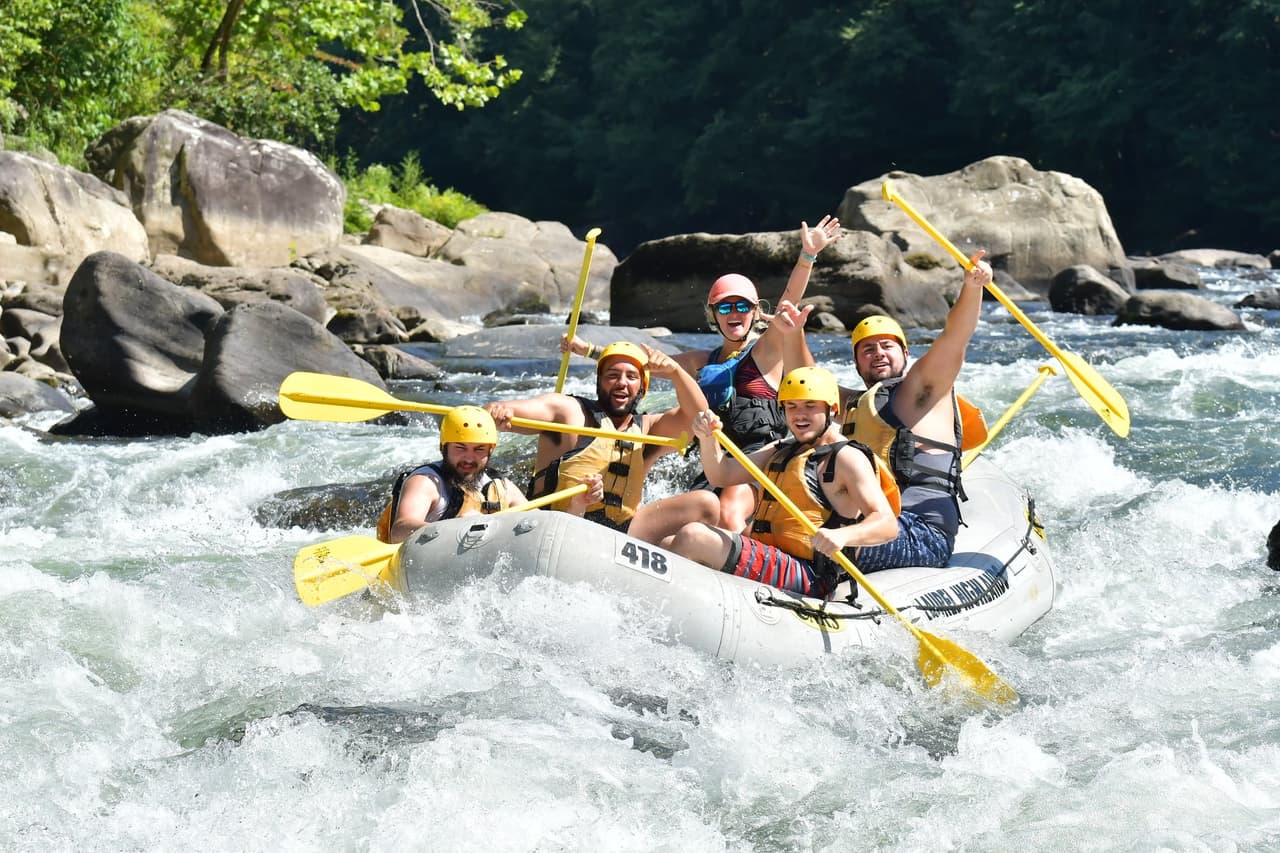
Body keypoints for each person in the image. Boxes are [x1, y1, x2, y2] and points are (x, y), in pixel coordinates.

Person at [562, 216, 842, 534]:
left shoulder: (766, 349)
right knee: (691, 508)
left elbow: (788, 304)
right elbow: (643, 362)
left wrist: (807, 256)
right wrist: (588, 351)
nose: (734, 313)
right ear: (713, 316)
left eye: (741, 307)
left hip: (760, 463)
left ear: (755, 312)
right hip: (715, 463)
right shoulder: (700, 360)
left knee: (730, 512)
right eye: (724, 308)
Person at [781, 251, 994, 572]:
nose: (877, 353)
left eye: (887, 346)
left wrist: (972, 287)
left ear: (905, 353)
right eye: (867, 349)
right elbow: (803, 379)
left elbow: (955, 337)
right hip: (864, 523)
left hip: (920, 531)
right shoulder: (850, 405)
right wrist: (793, 332)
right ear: (856, 363)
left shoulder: (923, 390)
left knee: (809, 542)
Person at [666, 366, 901, 598]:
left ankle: (671, 615)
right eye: (791, 406)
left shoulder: (847, 458)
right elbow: (721, 474)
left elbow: (887, 524)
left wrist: (845, 536)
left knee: (694, 537)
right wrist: (707, 439)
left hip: (811, 575)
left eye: (810, 406)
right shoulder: (782, 449)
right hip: (773, 556)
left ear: (832, 409)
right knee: (668, 542)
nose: (799, 415)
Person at [484, 342, 719, 545]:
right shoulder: (569, 412)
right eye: (612, 375)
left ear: (643, 388)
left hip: (619, 539)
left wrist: (676, 372)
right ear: (599, 382)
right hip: (557, 527)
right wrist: (497, 412)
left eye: (631, 377)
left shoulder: (649, 430)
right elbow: (507, 413)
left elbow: (700, 419)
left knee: (705, 503)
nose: (621, 383)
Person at [376, 405, 603, 544]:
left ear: (491, 451)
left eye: (479, 450)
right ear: (442, 447)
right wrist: (452, 529)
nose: (469, 458)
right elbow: (400, 529)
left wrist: (578, 504)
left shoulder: (501, 487)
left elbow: (546, 531)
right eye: (460, 448)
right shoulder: (426, 482)